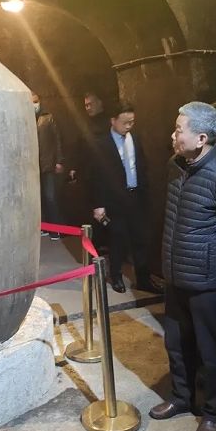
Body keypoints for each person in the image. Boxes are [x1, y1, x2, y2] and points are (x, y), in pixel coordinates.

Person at [150, 102, 216, 431]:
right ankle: (181, 397)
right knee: (176, 343)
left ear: (202, 138)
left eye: (179, 130)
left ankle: (214, 414)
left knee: (211, 351)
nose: (173, 135)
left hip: (206, 280)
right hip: (175, 274)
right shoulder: (174, 166)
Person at [88, 101, 162, 295]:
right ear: (113, 120)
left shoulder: (135, 139)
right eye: (125, 122)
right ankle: (116, 276)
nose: (129, 126)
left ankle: (144, 279)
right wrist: (98, 205)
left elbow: (141, 166)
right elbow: (96, 176)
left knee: (141, 239)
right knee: (117, 239)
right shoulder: (102, 144)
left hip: (136, 196)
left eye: (132, 122)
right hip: (115, 199)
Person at [33, 91, 65, 241]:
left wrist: (59, 160)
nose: (33, 105)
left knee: (50, 197)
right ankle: (45, 227)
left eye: (35, 101)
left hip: (47, 163)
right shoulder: (28, 118)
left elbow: (57, 139)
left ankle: (56, 229)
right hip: (34, 166)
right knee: (39, 198)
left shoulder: (48, 117)